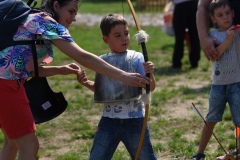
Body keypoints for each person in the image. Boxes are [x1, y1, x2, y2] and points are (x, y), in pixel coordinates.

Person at [0, 1, 150, 159]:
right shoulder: (46, 22)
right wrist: (123, 75)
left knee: (12, 141)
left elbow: (25, 68)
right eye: (70, 12)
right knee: (29, 145)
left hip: (5, 80)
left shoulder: (31, 18)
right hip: (6, 85)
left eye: (75, 14)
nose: (73, 18)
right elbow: (82, 56)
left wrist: (61, 69)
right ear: (56, 5)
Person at [77, 13, 157, 160]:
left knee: (146, 157)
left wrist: (149, 73)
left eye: (126, 34)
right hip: (108, 121)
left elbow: (150, 88)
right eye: (118, 35)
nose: (124, 38)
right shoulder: (102, 61)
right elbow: (102, 90)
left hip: (135, 122)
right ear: (106, 39)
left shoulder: (137, 57)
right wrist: (86, 83)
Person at [190, 0, 240, 159]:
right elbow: (216, 55)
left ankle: (239, 150)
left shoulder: (237, 32)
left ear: (233, 13)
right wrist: (228, 40)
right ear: (213, 19)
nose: (225, 18)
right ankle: (200, 152)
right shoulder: (212, 35)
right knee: (211, 118)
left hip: (237, 84)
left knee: (239, 120)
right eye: (220, 15)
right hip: (218, 86)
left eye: (227, 13)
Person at [171, 0, 201, 69]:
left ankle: (177, 62)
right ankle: (194, 61)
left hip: (180, 6)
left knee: (179, 37)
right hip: (193, 5)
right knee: (194, 36)